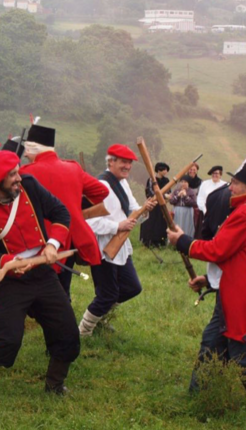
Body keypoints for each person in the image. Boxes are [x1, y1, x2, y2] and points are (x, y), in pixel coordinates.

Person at [0, 150, 79, 399]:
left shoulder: (31, 186)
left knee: (66, 330)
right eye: (12, 174)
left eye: (17, 172)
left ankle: (55, 386)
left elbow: (61, 213)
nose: (19, 178)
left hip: (43, 274)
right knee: (7, 339)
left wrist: (52, 244)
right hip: (11, 282)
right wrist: (11, 262)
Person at [167, 158, 246, 416]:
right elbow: (240, 257)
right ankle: (196, 396)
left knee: (240, 353)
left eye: (236, 183)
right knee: (210, 343)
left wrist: (182, 240)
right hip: (236, 289)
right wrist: (210, 280)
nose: (230, 188)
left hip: (241, 295)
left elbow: (218, 250)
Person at [19, 124, 109, 297]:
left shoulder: (26, 172)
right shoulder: (73, 168)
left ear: (33, 148)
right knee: (63, 288)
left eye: (26, 150)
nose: (24, 155)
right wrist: (75, 207)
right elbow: (101, 191)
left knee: (35, 290)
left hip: (40, 240)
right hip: (68, 237)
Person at [78, 144, 157, 337]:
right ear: (111, 161)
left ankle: (100, 318)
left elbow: (131, 210)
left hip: (120, 246)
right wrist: (117, 226)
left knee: (132, 287)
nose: (127, 166)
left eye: (129, 163)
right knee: (107, 294)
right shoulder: (101, 185)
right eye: (123, 162)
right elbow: (89, 221)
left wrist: (145, 209)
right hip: (103, 247)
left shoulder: (122, 182)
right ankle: (83, 331)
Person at [139, 162, 170, 247]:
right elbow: (150, 192)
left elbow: (168, 191)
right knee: (150, 223)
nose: (166, 171)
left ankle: (160, 242)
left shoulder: (166, 180)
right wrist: (160, 196)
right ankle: (148, 242)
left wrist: (165, 197)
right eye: (164, 169)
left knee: (161, 223)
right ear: (159, 170)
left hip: (161, 206)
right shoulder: (151, 180)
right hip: (153, 205)